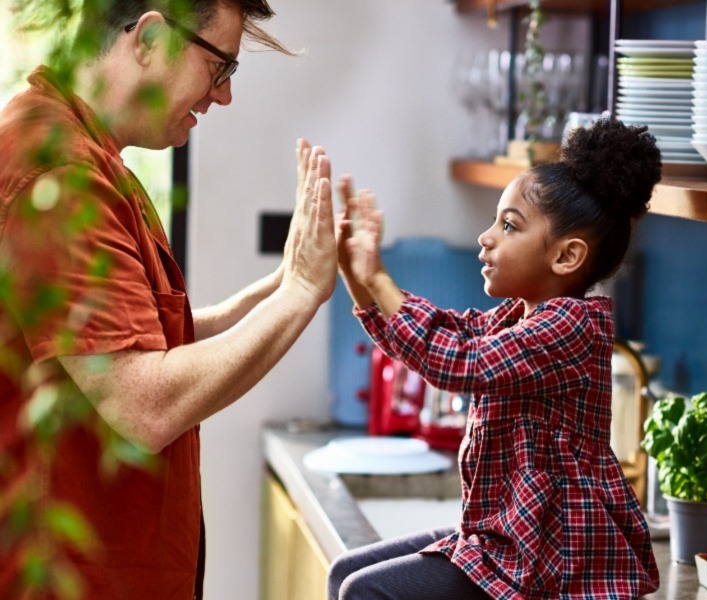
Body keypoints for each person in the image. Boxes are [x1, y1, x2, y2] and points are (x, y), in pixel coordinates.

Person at [0, 1, 337, 598]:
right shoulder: (59, 176)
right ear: (151, 38)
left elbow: (148, 342)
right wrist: (301, 296)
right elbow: (143, 405)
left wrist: (287, 280)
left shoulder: (97, 163)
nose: (222, 97)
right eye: (220, 68)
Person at [329, 117, 662, 599]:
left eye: (509, 226)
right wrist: (357, 278)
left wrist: (378, 277)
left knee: (366, 591)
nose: (487, 237)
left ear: (567, 257)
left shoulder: (571, 327)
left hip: (553, 560)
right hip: (505, 544)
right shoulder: (515, 318)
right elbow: (444, 334)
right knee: (346, 575)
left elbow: (459, 362)